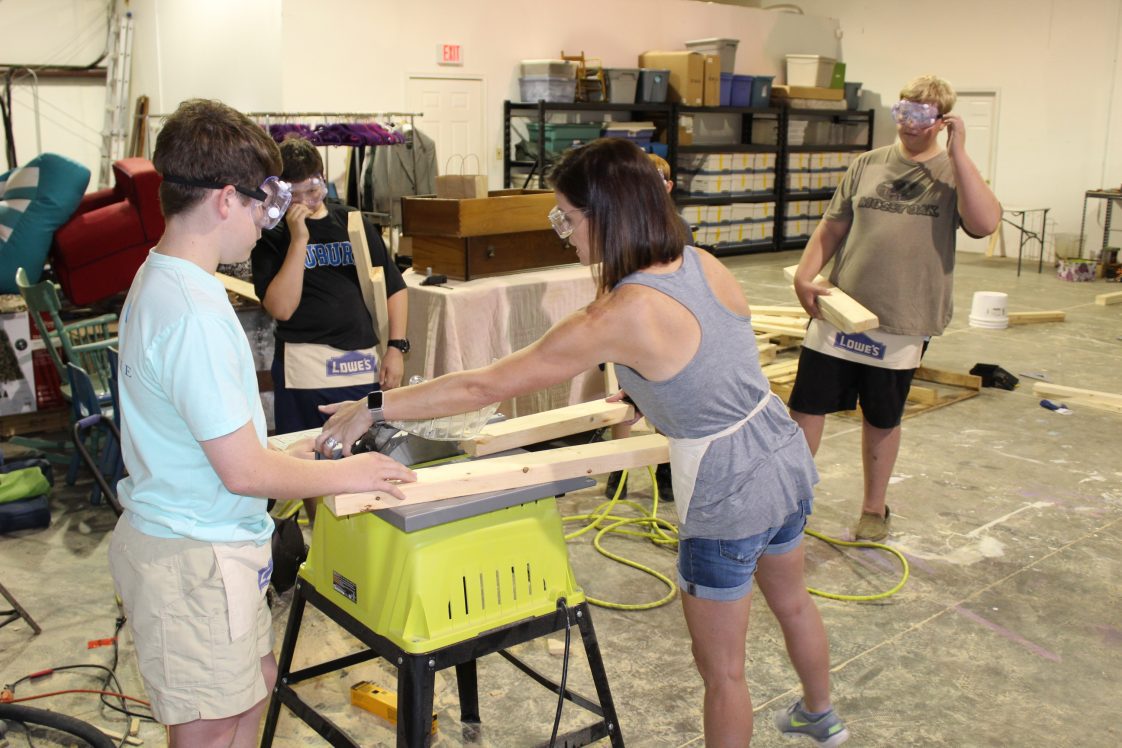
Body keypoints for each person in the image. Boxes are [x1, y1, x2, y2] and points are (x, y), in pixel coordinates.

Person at [315, 138, 848, 747]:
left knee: (723, 672)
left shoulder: (620, 313)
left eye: (567, 217)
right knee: (795, 603)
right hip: (781, 454)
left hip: (728, 488)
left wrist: (374, 405)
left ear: (609, 214)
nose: (564, 232)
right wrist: (656, 392)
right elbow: (715, 362)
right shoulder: (702, 262)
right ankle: (820, 712)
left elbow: (483, 385)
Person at [107, 99, 415, 748]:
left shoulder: (164, 279)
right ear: (225, 199)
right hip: (193, 557)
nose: (266, 223)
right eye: (262, 206)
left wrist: (299, 448)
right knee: (217, 729)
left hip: (207, 542)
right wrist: (348, 473)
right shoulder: (194, 309)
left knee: (249, 702)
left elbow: (211, 438)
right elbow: (244, 472)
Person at [787, 74, 1001, 541]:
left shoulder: (952, 172)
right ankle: (789, 503)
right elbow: (832, 226)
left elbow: (985, 225)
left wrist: (959, 151)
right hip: (840, 309)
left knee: (882, 416)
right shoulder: (868, 164)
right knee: (806, 409)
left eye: (922, 115)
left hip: (903, 319)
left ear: (942, 119)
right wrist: (806, 276)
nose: (910, 123)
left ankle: (873, 509)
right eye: (904, 111)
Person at [251, 135, 409, 521]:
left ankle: (361, 540)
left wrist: (395, 347)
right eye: (301, 191)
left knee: (367, 458)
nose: (312, 197)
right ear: (283, 192)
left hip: (359, 365)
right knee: (312, 464)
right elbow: (281, 308)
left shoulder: (351, 221)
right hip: (305, 370)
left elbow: (393, 286)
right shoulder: (271, 236)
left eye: (316, 185)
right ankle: (321, 540)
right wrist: (299, 239)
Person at [602, 152, 690, 502]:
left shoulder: (678, 229)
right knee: (625, 396)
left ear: (668, 187)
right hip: (629, 327)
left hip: (664, 329)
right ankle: (618, 467)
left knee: (664, 398)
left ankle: (666, 467)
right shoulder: (620, 228)